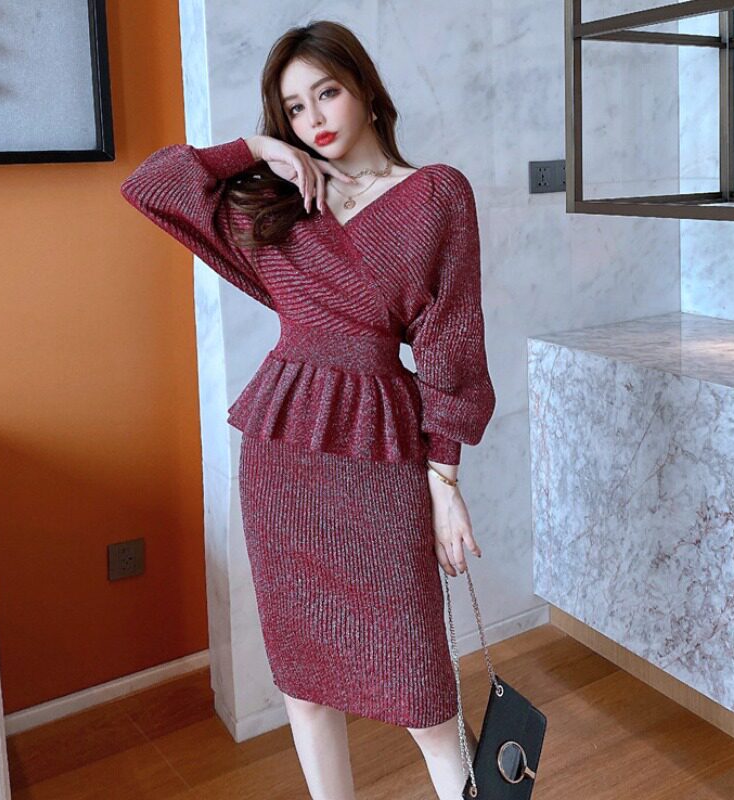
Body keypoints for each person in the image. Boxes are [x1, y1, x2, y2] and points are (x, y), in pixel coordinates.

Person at [120, 19, 496, 800]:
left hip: (378, 450)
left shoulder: (436, 194)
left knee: (424, 693)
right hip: (283, 457)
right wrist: (258, 150)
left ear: (365, 90)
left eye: (326, 93)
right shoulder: (274, 203)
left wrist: (445, 482)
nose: (314, 117)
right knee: (306, 685)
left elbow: (451, 345)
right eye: (294, 108)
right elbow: (152, 184)